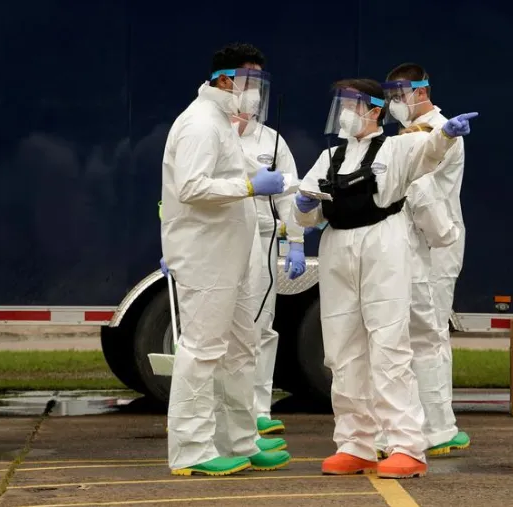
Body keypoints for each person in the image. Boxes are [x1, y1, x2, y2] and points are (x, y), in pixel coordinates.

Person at [292, 78, 477, 479]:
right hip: (338, 249)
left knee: (389, 346)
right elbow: (305, 214)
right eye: (341, 105)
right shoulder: (330, 158)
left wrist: (446, 133)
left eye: (351, 105)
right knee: (342, 350)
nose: (344, 113)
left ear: (374, 111)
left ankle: (406, 444)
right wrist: (304, 206)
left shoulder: (396, 149)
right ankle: (355, 443)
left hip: (383, 247)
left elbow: (428, 151)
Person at [160, 42, 292, 477]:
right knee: (201, 351)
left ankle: (240, 440)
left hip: (230, 256)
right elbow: (191, 187)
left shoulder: (221, 123)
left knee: (241, 348)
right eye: (249, 81)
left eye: (258, 82)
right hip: (206, 256)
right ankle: (192, 450)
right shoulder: (200, 124)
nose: (254, 92)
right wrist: (250, 188)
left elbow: (233, 174)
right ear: (224, 79)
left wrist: (281, 188)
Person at [380, 63, 470, 456]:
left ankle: (438, 425)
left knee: (430, 333)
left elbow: (419, 188)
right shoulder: (413, 132)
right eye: (390, 95)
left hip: (435, 243)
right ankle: (424, 421)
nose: (394, 103)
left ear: (421, 91)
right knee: (418, 333)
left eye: (400, 94)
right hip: (415, 243)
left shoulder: (441, 132)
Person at [232, 111, 307, 436]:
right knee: (221, 327)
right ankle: (221, 409)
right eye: (242, 87)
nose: (248, 96)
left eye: (254, 88)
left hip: (263, 238)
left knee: (261, 325)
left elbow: (289, 194)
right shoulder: (211, 133)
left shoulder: (272, 140)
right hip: (223, 237)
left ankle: (259, 409)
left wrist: (296, 241)